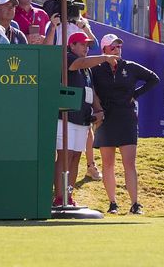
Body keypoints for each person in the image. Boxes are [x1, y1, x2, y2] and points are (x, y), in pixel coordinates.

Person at [89, 34, 159, 215]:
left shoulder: (130, 67)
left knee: (129, 163)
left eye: (119, 47)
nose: (117, 50)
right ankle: (113, 203)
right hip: (106, 119)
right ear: (104, 49)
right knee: (108, 164)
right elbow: (91, 90)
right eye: (113, 47)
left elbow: (154, 79)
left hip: (126, 117)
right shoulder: (96, 69)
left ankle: (135, 204)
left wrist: (135, 94)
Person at [55, 32, 115, 208]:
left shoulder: (87, 68)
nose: (86, 48)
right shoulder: (68, 58)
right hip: (65, 116)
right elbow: (79, 63)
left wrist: (98, 109)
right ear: (72, 46)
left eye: (88, 45)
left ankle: (68, 196)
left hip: (82, 118)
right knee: (64, 156)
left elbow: (91, 91)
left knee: (75, 157)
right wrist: (105, 57)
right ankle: (59, 197)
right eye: (82, 44)